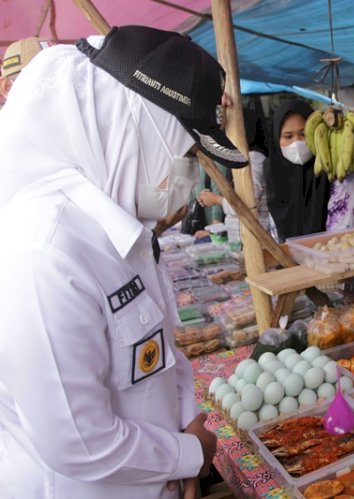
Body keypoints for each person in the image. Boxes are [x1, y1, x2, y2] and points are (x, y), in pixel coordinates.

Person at [0, 25, 251, 498]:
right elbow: (76, 440)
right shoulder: (44, 249)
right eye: (187, 153)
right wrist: (186, 455)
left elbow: (162, 355)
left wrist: (181, 442)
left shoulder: (121, 229)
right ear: (135, 126)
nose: (188, 173)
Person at [199, 107, 278, 240]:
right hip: (244, 240)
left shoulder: (253, 160)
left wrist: (216, 200)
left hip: (256, 243)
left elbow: (248, 205)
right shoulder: (243, 160)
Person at [264, 99, 330, 242]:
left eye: (303, 134)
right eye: (288, 136)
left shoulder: (332, 171)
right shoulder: (272, 173)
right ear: (276, 139)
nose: (297, 142)